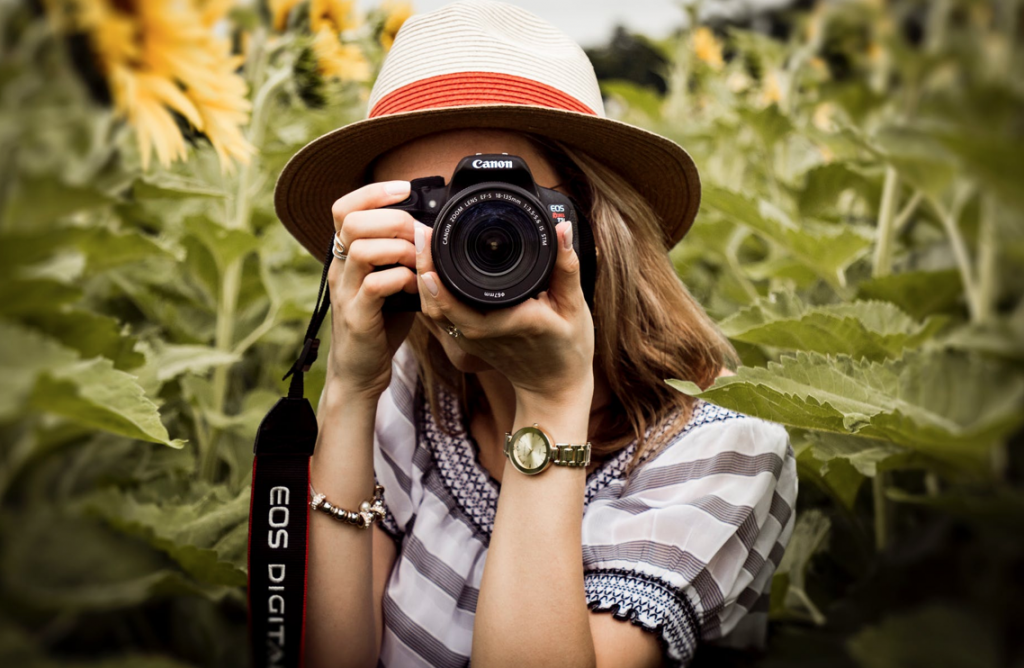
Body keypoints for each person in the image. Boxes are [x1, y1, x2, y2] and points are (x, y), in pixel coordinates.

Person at [272, 2, 798, 667]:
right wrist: (350, 388)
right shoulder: (412, 391)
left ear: (594, 224)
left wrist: (551, 401)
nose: (462, 243)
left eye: (501, 206)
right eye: (427, 209)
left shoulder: (728, 451)